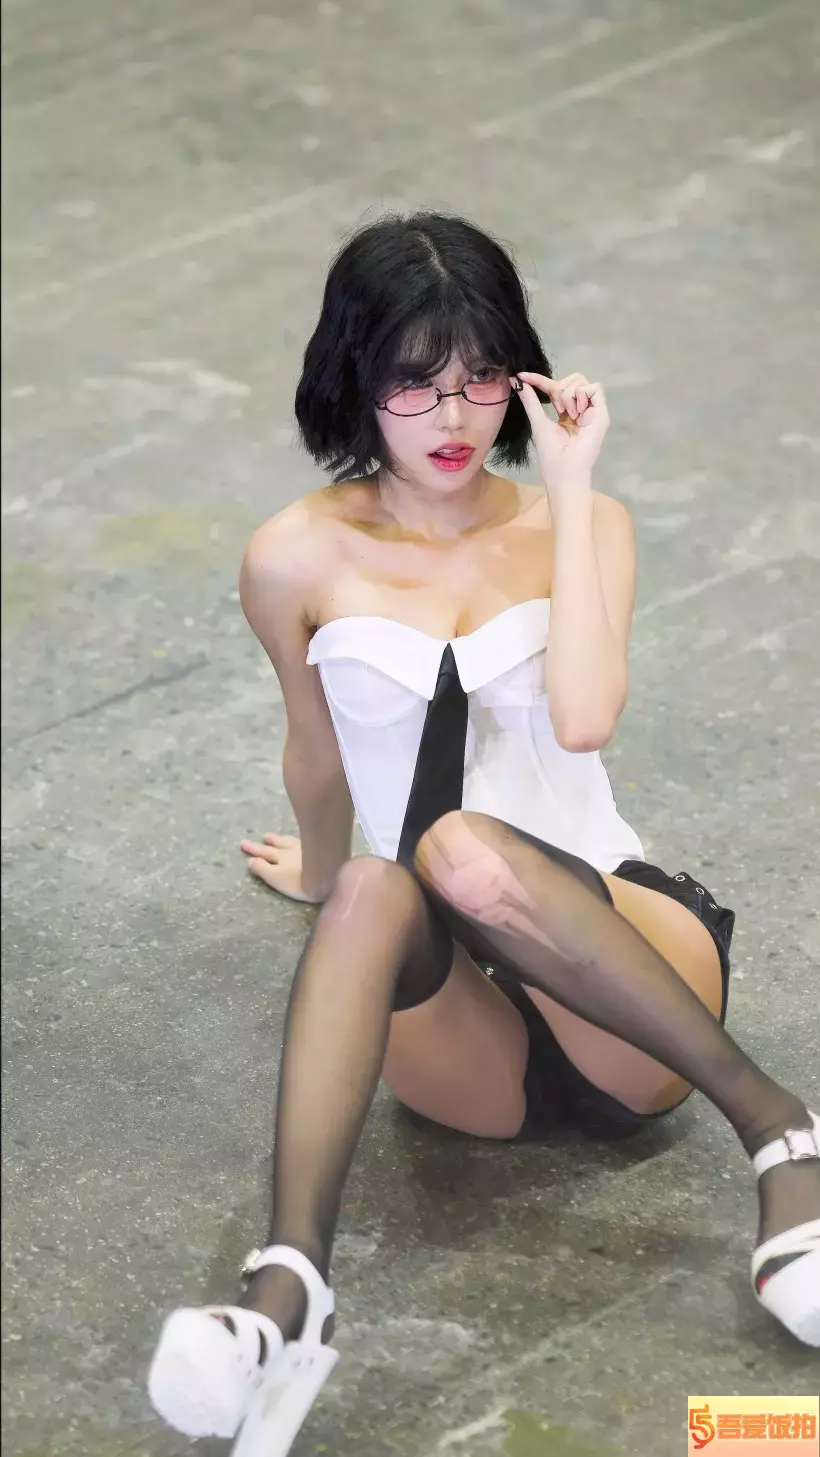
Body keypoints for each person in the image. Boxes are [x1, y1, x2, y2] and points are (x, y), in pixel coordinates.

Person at [148, 213, 820, 1455]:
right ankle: (287, 1293)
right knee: (370, 888)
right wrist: (320, 869)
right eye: (415, 382)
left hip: (622, 960)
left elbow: (584, 717)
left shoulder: (583, 521)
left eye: (479, 377)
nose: (452, 416)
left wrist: (566, 489)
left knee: (456, 848)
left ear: (519, 374)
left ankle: (782, 1131)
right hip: (470, 1052)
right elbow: (314, 745)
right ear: (356, 377)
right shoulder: (291, 554)